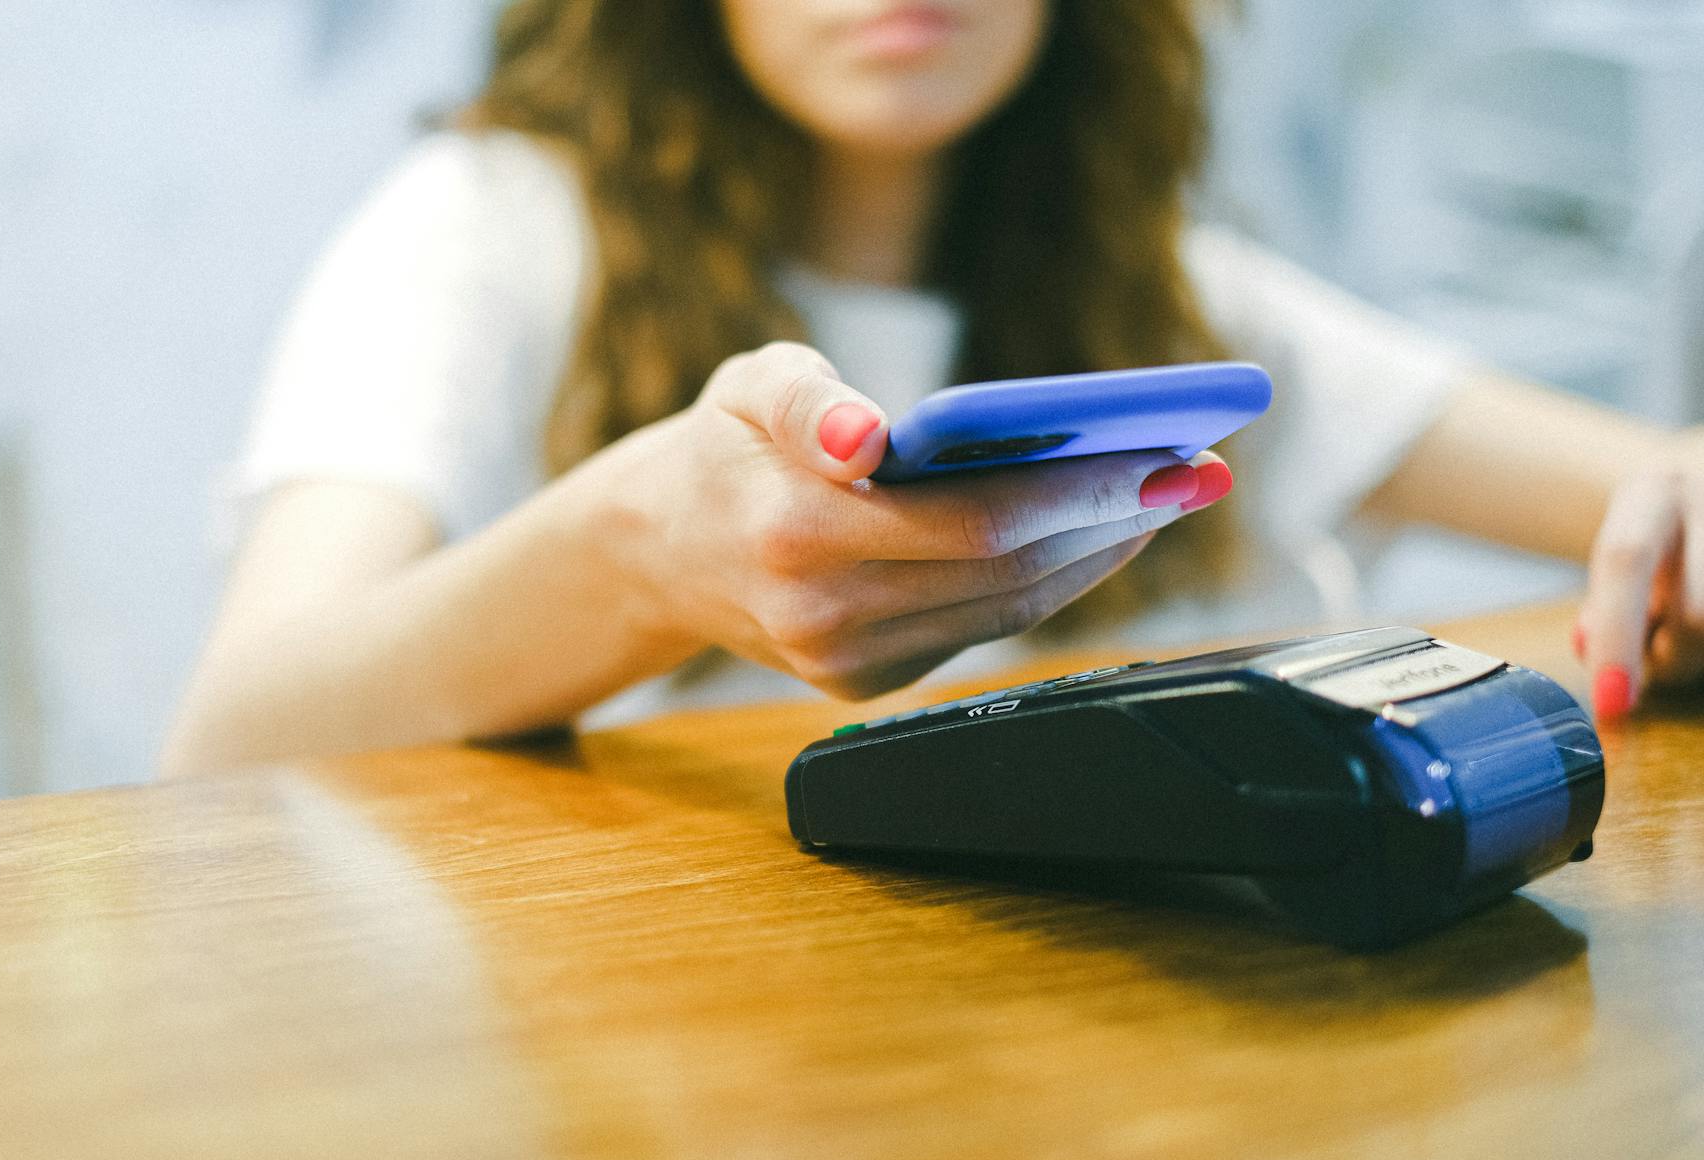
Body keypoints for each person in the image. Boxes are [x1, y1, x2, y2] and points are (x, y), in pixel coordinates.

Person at [162, 0, 1704, 774]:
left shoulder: (1163, 289)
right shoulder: (487, 229)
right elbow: (232, 738)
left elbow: (1652, 477)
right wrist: (631, 552)